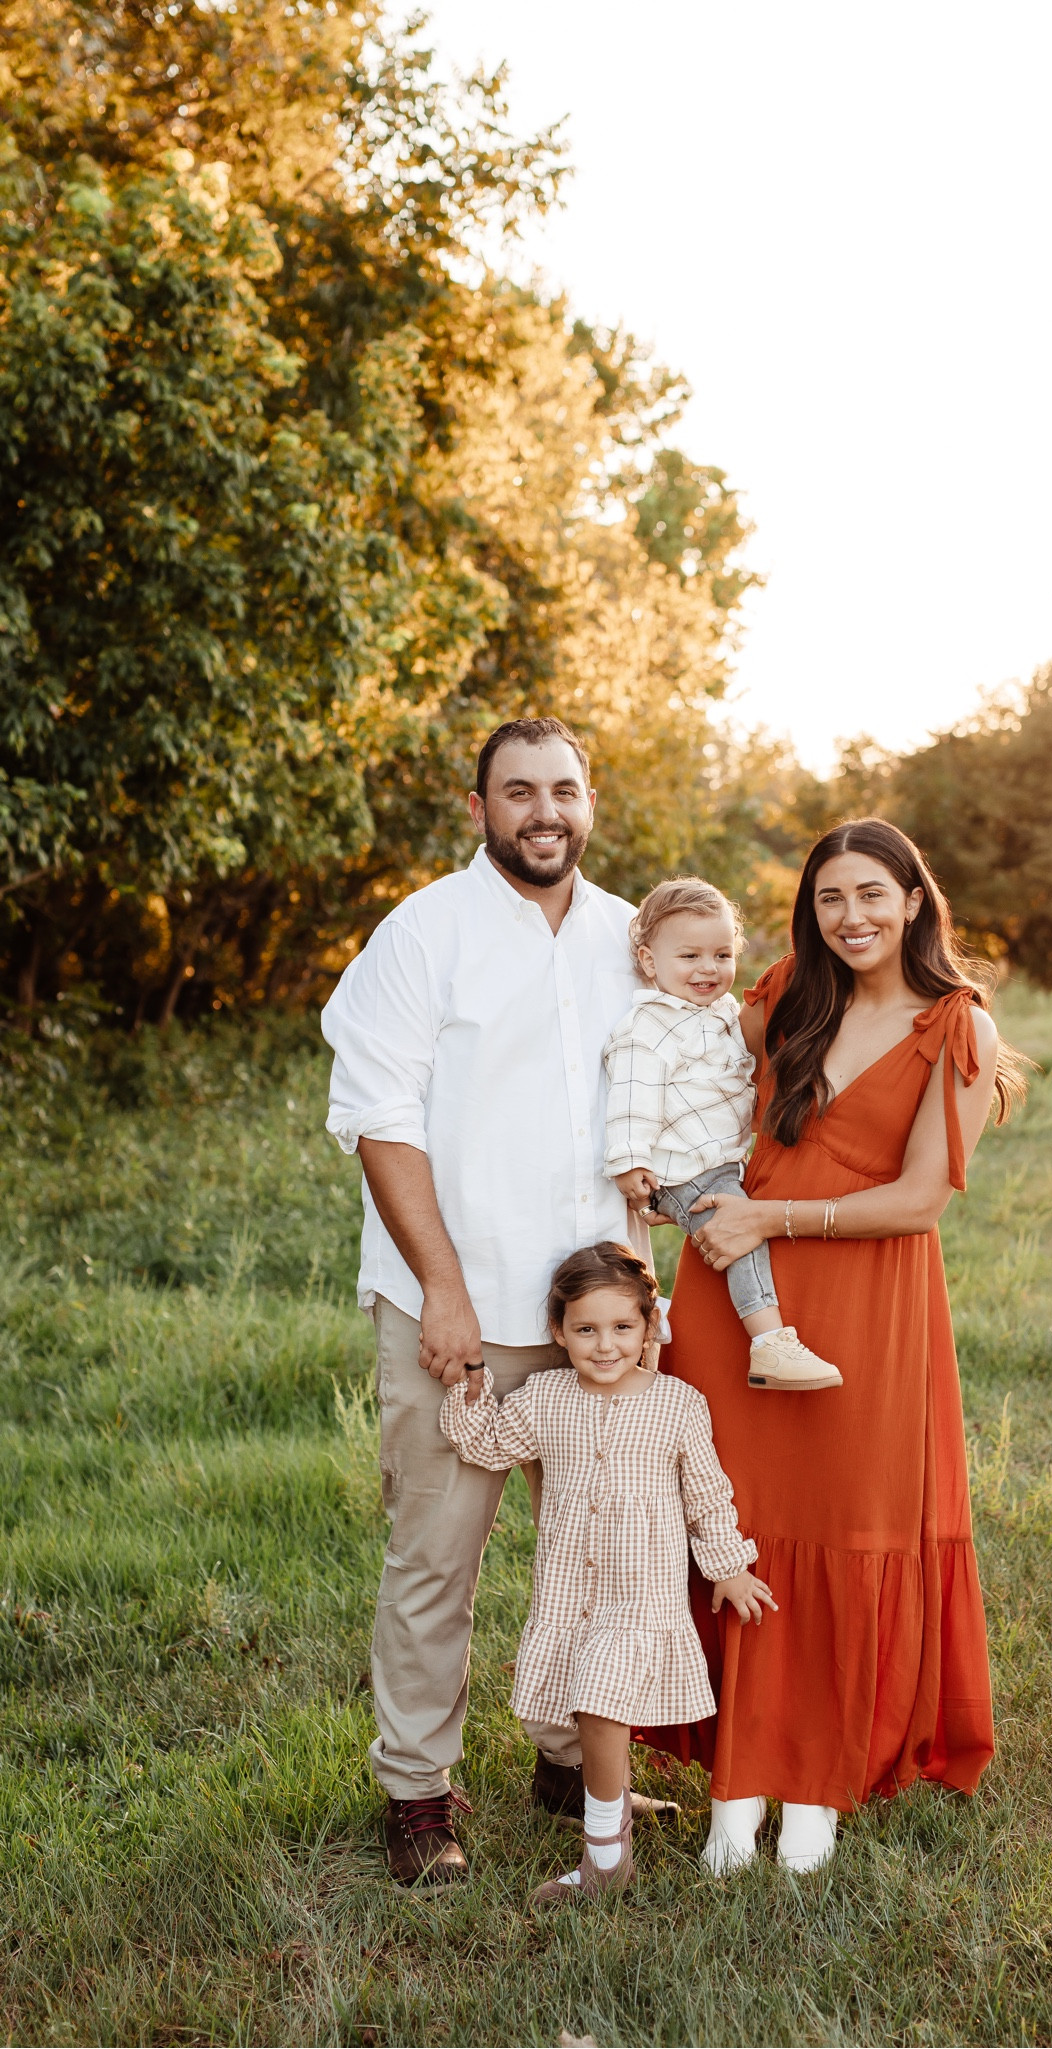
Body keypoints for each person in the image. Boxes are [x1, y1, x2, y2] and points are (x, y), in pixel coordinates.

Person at [320, 715, 675, 1887]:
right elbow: (382, 1120)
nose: (543, 812)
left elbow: (669, 1093)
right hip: (460, 1312)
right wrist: (444, 1292)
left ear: (591, 798)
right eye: (517, 792)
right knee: (438, 1559)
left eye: (563, 789)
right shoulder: (423, 935)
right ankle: (418, 1793)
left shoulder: (634, 938)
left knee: (599, 1552)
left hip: (601, 1325)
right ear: (479, 809)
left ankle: (571, 1758)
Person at [640, 818, 1028, 1876]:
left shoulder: (955, 1029)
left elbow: (918, 1200)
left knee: (841, 1518)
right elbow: (664, 1054)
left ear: (912, 900)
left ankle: (815, 1778)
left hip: (862, 1299)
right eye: (828, 899)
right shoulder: (778, 1001)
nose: (849, 916)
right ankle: (737, 1776)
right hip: (733, 1291)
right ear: (808, 914)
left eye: (870, 894)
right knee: (739, 1516)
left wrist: (777, 1221)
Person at [440, 1242, 774, 1908]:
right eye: (585, 1328)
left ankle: (603, 1858)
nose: (604, 1344)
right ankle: (606, 1846)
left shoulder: (678, 1403)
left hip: (639, 1599)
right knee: (586, 1706)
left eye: (623, 1327)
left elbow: (708, 1494)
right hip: (571, 1593)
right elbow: (488, 1443)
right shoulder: (546, 1396)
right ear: (558, 1332)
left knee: (598, 1703)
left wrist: (729, 1566)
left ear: (650, 1328)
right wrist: (468, 1386)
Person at [603, 876, 841, 1393]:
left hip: (716, 1159)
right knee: (739, 1232)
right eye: (689, 957)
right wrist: (628, 1160)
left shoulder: (722, 1013)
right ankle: (769, 1342)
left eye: (721, 954)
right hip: (682, 1165)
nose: (708, 969)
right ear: (649, 962)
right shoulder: (650, 1024)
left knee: (741, 1223)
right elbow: (631, 1093)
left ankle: (683, 1330)